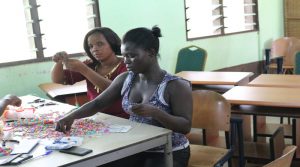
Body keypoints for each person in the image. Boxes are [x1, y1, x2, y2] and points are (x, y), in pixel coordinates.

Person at [55, 26, 192, 167]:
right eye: (124, 55)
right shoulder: (126, 78)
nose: (126, 61)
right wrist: (71, 116)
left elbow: (185, 126)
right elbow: (97, 103)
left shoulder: (175, 85)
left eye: (132, 55)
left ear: (151, 52)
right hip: (135, 147)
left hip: (169, 150)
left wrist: (156, 113)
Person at [51, 27, 128, 119]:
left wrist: (84, 69)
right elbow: (58, 80)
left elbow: (114, 90)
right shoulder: (91, 65)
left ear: (112, 43)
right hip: (97, 117)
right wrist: (59, 61)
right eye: (91, 46)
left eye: (100, 44)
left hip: (123, 118)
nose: (94, 49)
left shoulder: (127, 64)